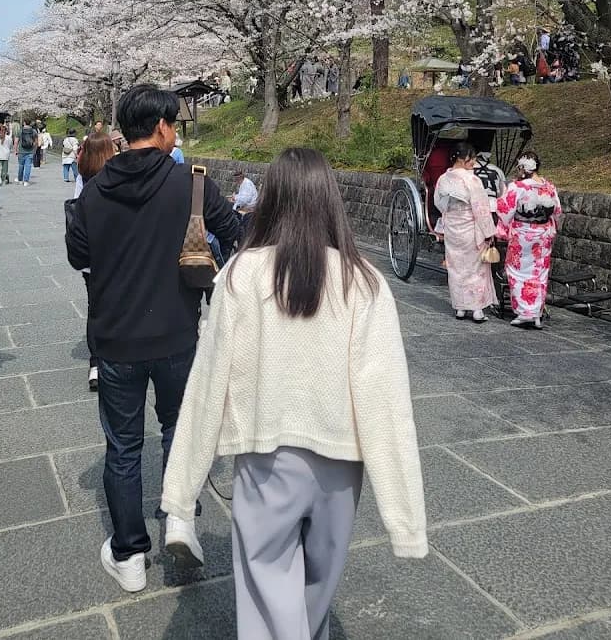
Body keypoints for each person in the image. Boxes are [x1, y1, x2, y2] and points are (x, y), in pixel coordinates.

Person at [160, 148, 427, 638]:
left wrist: (181, 495)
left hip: (266, 460)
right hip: (341, 465)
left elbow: (205, 386)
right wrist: (404, 517)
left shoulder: (241, 275)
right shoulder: (364, 282)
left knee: (267, 598)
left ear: (271, 200)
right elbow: (387, 402)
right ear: (331, 200)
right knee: (314, 599)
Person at [65, 84, 239, 594]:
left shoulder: (93, 189)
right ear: (162, 127)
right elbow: (235, 234)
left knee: (122, 447)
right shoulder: (192, 183)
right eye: (175, 125)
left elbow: (79, 256)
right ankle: (180, 522)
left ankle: (129, 555)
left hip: (115, 339)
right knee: (178, 430)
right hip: (177, 334)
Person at [497, 153, 562, 329]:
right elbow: (557, 211)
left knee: (517, 271)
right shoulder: (548, 187)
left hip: (523, 234)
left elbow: (504, 210)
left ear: (522, 168)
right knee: (539, 272)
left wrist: (502, 229)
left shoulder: (517, 187)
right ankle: (536, 313)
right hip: (543, 234)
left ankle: (525, 312)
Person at [434, 142, 497, 322]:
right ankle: (476, 309)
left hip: (453, 228)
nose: (474, 162)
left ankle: (460, 308)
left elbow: (439, 203)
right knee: (475, 269)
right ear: (462, 159)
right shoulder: (472, 180)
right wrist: (488, 231)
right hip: (470, 228)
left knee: (456, 268)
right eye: (472, 158)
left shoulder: (443, 179)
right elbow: (480, 208)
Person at [73, 132, 116, 389]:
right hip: (118, 255)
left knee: (95, 308)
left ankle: (96, 364)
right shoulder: (118, 176)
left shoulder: (83, 176)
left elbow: (76, 209)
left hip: (92, 256)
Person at [15, 120, 38, 186]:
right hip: (30, 151)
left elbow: (16, 141)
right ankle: (26, 181)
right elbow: (36, 142)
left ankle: (20, 180)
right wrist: (35, 150)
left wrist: (15, 150)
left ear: (24, 123)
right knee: (28, 166)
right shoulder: (34, 131)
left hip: (21, 151)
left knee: (21, 165)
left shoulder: (20, 131)